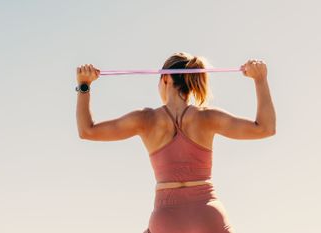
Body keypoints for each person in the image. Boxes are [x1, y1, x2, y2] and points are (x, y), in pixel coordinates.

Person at [75, 52, 276, 233]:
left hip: (166, 218)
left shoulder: (145, 119)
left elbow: (87, 131)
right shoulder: (207, 117)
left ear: (165, 77)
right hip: (207, 213)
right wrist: (260, 79)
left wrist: (84, 85)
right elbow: (265, 128)